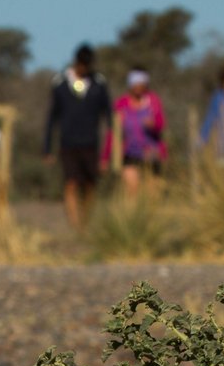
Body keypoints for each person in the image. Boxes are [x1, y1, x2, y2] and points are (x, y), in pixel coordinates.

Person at [43, 43, 112, 232]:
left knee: (90, 184)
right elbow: (52, 117)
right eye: (81, 65)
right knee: (71, 183)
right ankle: (75, 226)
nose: (83, 69)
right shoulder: (60, 83)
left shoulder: (99, 83)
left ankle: (86, 222)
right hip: (68, 143)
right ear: (75, 62)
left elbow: (109, 116)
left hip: (90, 143)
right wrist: (47, 148)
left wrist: (108, 150)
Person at [102, 67, 166, 198]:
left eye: (141, 83)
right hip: (130, 153)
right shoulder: (121, 104)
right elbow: (113, 132)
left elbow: (161, 125)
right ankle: (133, 217)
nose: (138, 86)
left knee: (153, 195)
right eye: (135, 83)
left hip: (151, 154)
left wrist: (153, 125)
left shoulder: (153, 101)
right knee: (132, 191)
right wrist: (105, 156)